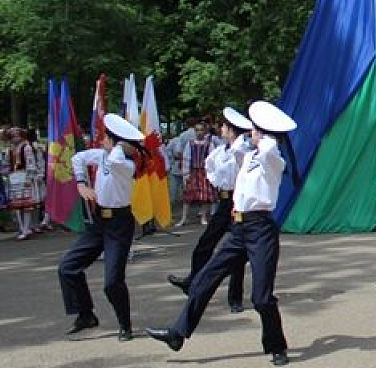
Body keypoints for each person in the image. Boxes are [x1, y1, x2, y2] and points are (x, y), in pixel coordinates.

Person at [147, 101, 296, 366]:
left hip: (261, 228)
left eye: (254, 130)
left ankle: (277, 346)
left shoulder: (273, 159)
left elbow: (269, 148)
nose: (249, 133)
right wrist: (250, 137)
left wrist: (265, 135)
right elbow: (236, 148)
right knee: (205, 278)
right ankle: (178, 333)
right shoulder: (249, 156)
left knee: (261, 297)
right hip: (239, 227)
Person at [58, 114, 145, 340]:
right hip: (99, 222)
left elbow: (116, 159)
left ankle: (125, 325)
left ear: (116, 142)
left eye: (106, 137)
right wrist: (80, 184)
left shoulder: (126, 164)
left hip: (119, 223)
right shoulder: (103, 155)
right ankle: (85, 314)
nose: (101, 141)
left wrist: (119, 144)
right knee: (68, 267)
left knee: (112, 281)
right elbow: (78, 158)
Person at [166, 108, 252, 312]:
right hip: (224, 201)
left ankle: (235, 298)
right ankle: (193, 280)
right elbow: (210, 166)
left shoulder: (243, 151)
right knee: (206, 243)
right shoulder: (221, 150)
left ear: (231, 130)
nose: (220, 130)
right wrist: (215, 182)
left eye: (224, 127)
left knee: (237, 252)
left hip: (237, 202)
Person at [7, 127, 46, 240]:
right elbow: (7, 164)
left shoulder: (26, 147)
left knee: (27, 204)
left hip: (25, 177)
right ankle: (22, 227)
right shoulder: (10, 149)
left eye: (17, 135)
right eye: (13, 136)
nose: (15, 138)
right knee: (17, 205)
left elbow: (30, 162)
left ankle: (26, 228)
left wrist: (31, 176)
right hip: (14, 178)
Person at [182, 121, 218, 226]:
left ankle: (203, 216)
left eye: (201, 130)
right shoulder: (190, 143)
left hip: (204, 172)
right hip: (193, 171)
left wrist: (212, 174)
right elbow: (186, 158)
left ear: (205, 131)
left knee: (205, 196)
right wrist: (185, 174)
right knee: (188, 196)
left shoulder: (209, 144)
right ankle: (184, 218)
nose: (199, 132)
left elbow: (212, 160)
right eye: (197, 130)